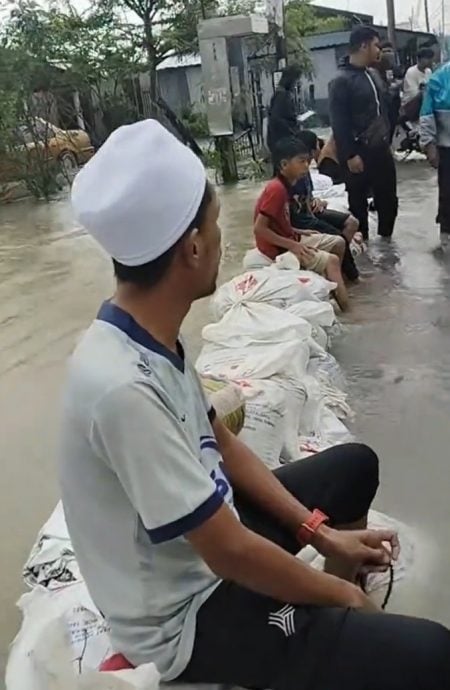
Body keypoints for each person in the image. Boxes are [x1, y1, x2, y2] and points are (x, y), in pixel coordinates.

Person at [63, 118, 450, 690]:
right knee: (432, 655)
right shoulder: (122, 388)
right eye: (218, 225)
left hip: (208, 550)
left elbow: (220, 442)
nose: (226, 240)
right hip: (188, 617)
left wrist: (320, 536)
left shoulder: (146, 335)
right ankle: (323, 631)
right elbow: (228, 553)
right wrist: (343, 595)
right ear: (193, 246)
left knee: (353, 466)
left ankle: (326, 636)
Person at [253, 137, 349, 310]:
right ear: (284, 165)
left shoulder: (287, 186)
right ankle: (348, 310)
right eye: (301, 161)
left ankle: (332, 289)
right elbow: (259, 228)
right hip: (278, 248)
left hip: (290, 237)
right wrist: (292, 245)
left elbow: (278, 221)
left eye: (307, 161)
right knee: (332, 260)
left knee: (339, 242)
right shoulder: (276, 190)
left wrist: (297, 230)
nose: (307, 166)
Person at [329, 25, 398, 240]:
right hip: (358, 151)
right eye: (376, 45)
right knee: (358, 203)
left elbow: (385, 109)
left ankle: (387, 248)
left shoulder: (374, 74)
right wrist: (350, 155)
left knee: (388, 200)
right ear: (363, 45)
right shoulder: (341, 81)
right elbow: (339, 122)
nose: (379, 50)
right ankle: (363, 248)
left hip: (381, 149)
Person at [291, 129, 361, 283]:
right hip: (305, 220)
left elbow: (306, 198)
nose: (319, 149)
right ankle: (350, 275)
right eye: (316, 146)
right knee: (338, 238)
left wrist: (317, 201)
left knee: (352, 223)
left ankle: (342, 267)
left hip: (312, 213)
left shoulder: (306, 170)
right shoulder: (295, 174)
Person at [420, 60, 450, 249]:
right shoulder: (439, 78)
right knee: (447, 191)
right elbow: (427, 114)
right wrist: (429, 145)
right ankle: (446, 233)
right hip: (447, 147)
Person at [267, 64, 302, 156]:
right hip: (283, 140)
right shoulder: (282, 96)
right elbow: (278, 119)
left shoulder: (280, 94)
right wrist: (292, 130)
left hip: (279, 140)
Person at [373, 41, 402, 142]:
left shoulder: (393, 66)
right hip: (383, 100)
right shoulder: (375, 66)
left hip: (394, 99)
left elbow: (400, 77)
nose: (388, 54)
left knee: (392, 123)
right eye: (385, 52)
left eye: (390, 51)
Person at [403, 47, 434, 114]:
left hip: (424, 103)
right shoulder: (411, 72)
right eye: (427, 58)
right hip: (411, 105)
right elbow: (413, 94)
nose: (430, 61)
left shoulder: (428, 71)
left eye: (430, 58)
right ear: (419, 59)